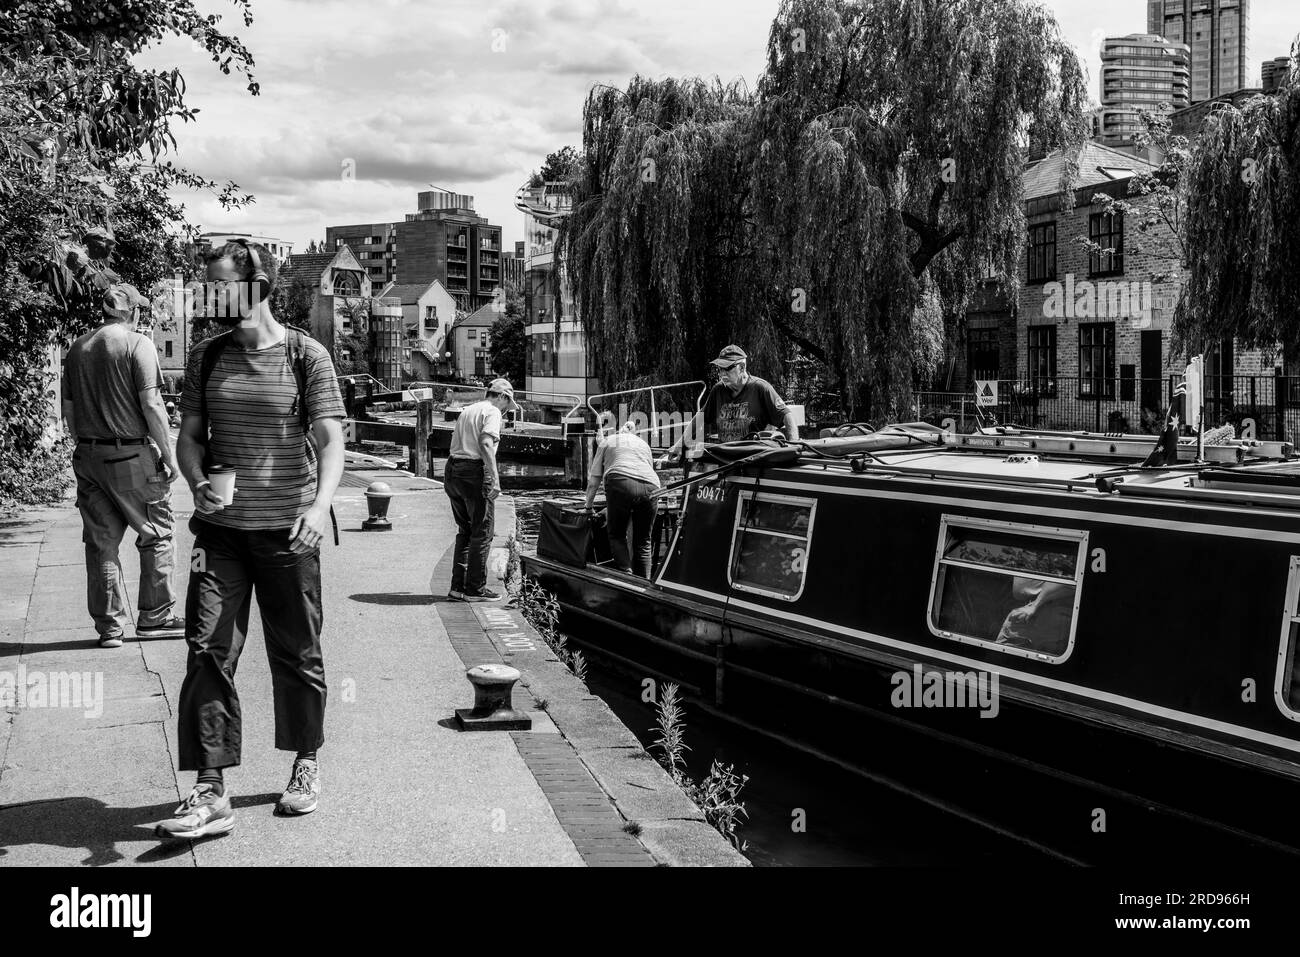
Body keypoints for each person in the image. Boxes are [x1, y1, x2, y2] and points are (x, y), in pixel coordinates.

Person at [156, 240, 345, 841]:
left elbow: (330, 438)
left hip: (290, 531)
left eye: (219, 284)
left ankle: (305, 761)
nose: (208, 296)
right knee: (207, 648)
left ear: (257, 285)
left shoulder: (304, 355)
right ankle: (211, 790)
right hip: (222, 535)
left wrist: (320, 506)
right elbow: (190, 436)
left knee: (297, 653)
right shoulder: (208, 358)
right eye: (205, 285)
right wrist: (193, 478)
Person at [62, 283, 185, 649]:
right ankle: (155, 617)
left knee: (101, 544)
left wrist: (87, 445)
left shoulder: (77, 348)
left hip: (88, 456)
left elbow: (69, 412)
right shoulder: (137, 345)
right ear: (132, 311)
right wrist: (168, 454)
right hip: (129, 455)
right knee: (157, 534)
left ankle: (109, 628)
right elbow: (151, 404)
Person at [660, 345, 798, 464]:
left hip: (753, 459)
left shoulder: (761, 388)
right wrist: (679, 445)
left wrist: (793, 447)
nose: (722, 374)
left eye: (727, 368)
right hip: (725, 458)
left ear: (742, 367)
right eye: (720, 369)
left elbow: (787, 416)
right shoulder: (718, 390)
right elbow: (700, 418)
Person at [445, 378, 519, 601]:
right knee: (482, 532)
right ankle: (475, 590)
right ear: (502, 397)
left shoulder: (468, 410)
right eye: (508, 404)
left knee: (465, 531)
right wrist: (495, 478)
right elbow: (486, 443)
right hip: (474, 472)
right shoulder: (493, 412)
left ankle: (458, 587)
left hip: (453, 470)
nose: (507, 411)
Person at [584, 423, 662, 578]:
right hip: (652, 486)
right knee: (644, 542)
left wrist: (588, 508)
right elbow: (640, 478)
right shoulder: (643, 445)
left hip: (620, 479)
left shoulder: (607, 441)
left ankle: (626, 574)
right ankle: (644, 583)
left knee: (617, 535)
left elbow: (593, 482)